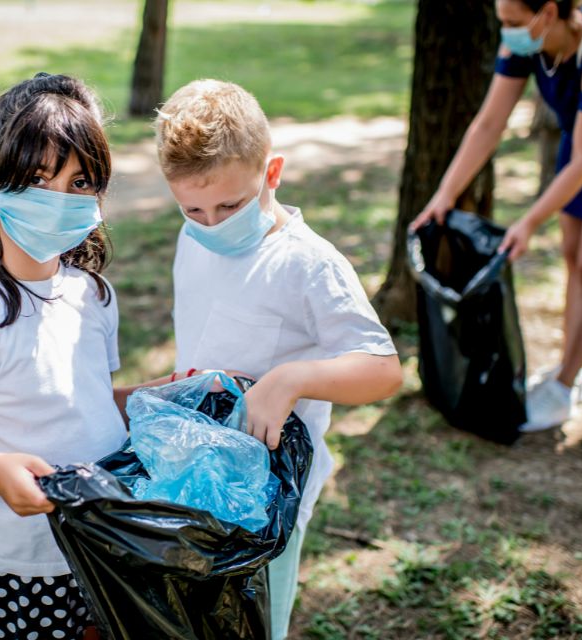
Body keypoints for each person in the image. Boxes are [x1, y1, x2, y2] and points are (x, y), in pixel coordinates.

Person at [154, 79, 404, 640]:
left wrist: (291, 378)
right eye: (193, 207)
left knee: (254, 625)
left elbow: (383, 369)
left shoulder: (308, 265)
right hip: (197, 478)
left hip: (269, 501)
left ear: (272, 173)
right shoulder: (193, 236)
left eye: (231, 205)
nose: (213, 223)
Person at [0, 73, 141, 640]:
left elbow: (87, 401)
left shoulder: (93, 295)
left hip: (106, 543)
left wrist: (163, 394)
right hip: (21, 568)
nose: (60, 201)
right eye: (41, 180)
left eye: (80, 183)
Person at [412, 0, 582, 432]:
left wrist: (529, 221)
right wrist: (445, 193)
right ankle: (567, 371)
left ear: (548, 12)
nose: (506, 31)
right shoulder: (524, 45)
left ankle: (567, 383)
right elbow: (489, 124)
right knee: (573, 256)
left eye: (512, 22)